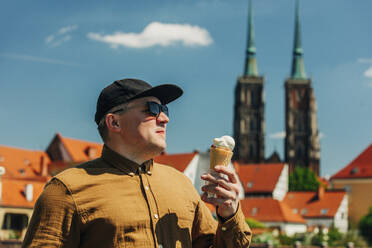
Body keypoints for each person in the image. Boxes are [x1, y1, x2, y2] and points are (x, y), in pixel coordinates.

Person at [22, 78, 251, 248]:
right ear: (115, 122)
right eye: (152, 109)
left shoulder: (180, 183)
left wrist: (229, 214)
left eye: (164, 109)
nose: (165, 118)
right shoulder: (66, 190)